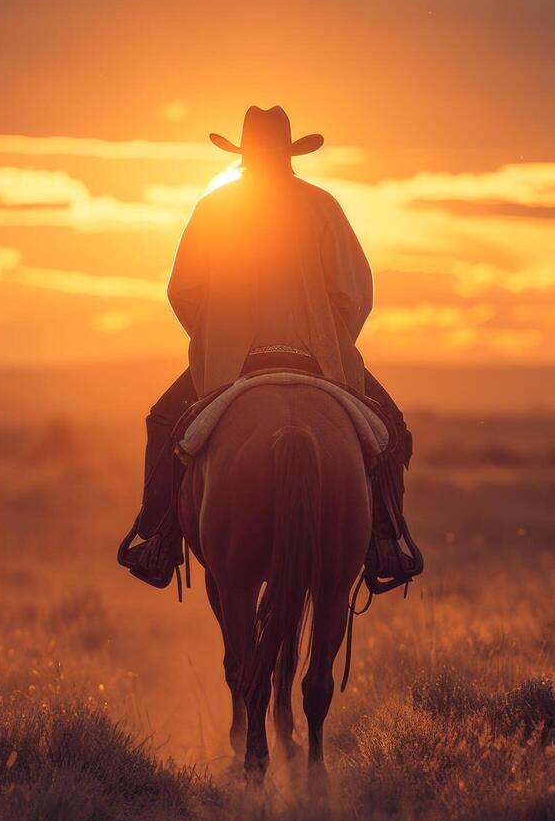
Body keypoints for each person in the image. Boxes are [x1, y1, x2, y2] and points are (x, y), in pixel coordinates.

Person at [117, 105, 421, 592]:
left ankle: (158, 539)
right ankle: (385, 539)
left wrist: (214, 336)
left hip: (229, 364)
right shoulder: (323, 206)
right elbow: (354, 294)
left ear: (243, 155)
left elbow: (184, 291)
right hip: (321, 360)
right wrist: (331, 339)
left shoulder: (216, 207)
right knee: (391, 429)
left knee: (162, 422)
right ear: (289, 153)